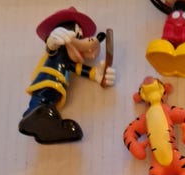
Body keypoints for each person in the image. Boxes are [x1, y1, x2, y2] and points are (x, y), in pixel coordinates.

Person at [18, 7, 115, 144]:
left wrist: (97, 74)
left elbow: (78, 68)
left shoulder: (68, 60)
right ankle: (31, 116)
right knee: (40, 102)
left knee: (48, 107)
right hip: (45, 83)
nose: (78, 39)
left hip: (57, 91)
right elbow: (51, 49)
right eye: (75, 33)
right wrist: (52, 40)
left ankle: (49, 128)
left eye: (79, 36)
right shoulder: (56, 52)